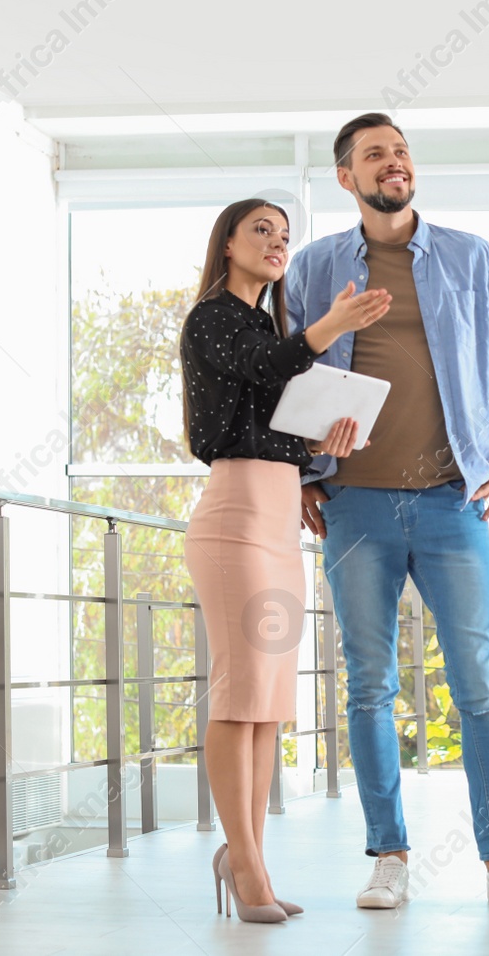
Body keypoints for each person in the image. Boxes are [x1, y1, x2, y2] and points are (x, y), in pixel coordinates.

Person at [284, 113, 489, 912]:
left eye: (400, 151)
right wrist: (301, 472)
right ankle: (388, 855)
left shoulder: (469, 257)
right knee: (368, 686)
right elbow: (284, 372)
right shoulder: (315, 265)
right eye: (375, 155)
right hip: (354, 503)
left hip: (452, 501)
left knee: (478, 684)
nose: (394, 163)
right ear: (346, 177)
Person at [179, 197, 390, 923]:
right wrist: (331, 325)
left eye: (285, 235)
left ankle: (252, 857)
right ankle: (242, 864)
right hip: (234, 518)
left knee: (269, 703)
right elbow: (265, 362)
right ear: (228, 243)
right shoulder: (215, 317)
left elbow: (281, 430)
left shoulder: (269, 328)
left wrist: (332, 439)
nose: (277, 243)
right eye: (261, 231)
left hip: (277, 520)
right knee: (240, 693)